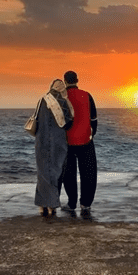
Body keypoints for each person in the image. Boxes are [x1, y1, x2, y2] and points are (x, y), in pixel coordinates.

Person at [33, 79, 74, 217]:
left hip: (41, 141)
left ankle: (41, 205)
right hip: (58, 142)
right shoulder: (63, 102)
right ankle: (51, 205)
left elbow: (36, 120)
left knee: (42, 172)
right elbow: (68, 123)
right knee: (55, 173)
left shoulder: (42, 100)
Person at [60, 71, 98, 215]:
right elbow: (94, 120)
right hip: (85, 140)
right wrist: (91, 134)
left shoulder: (62, 98)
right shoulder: (87, 96)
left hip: (67, 141)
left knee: (68, 174)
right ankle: (86, 204)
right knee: (89, 173)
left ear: (65, 81)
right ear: (77, 80)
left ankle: (71, 203)